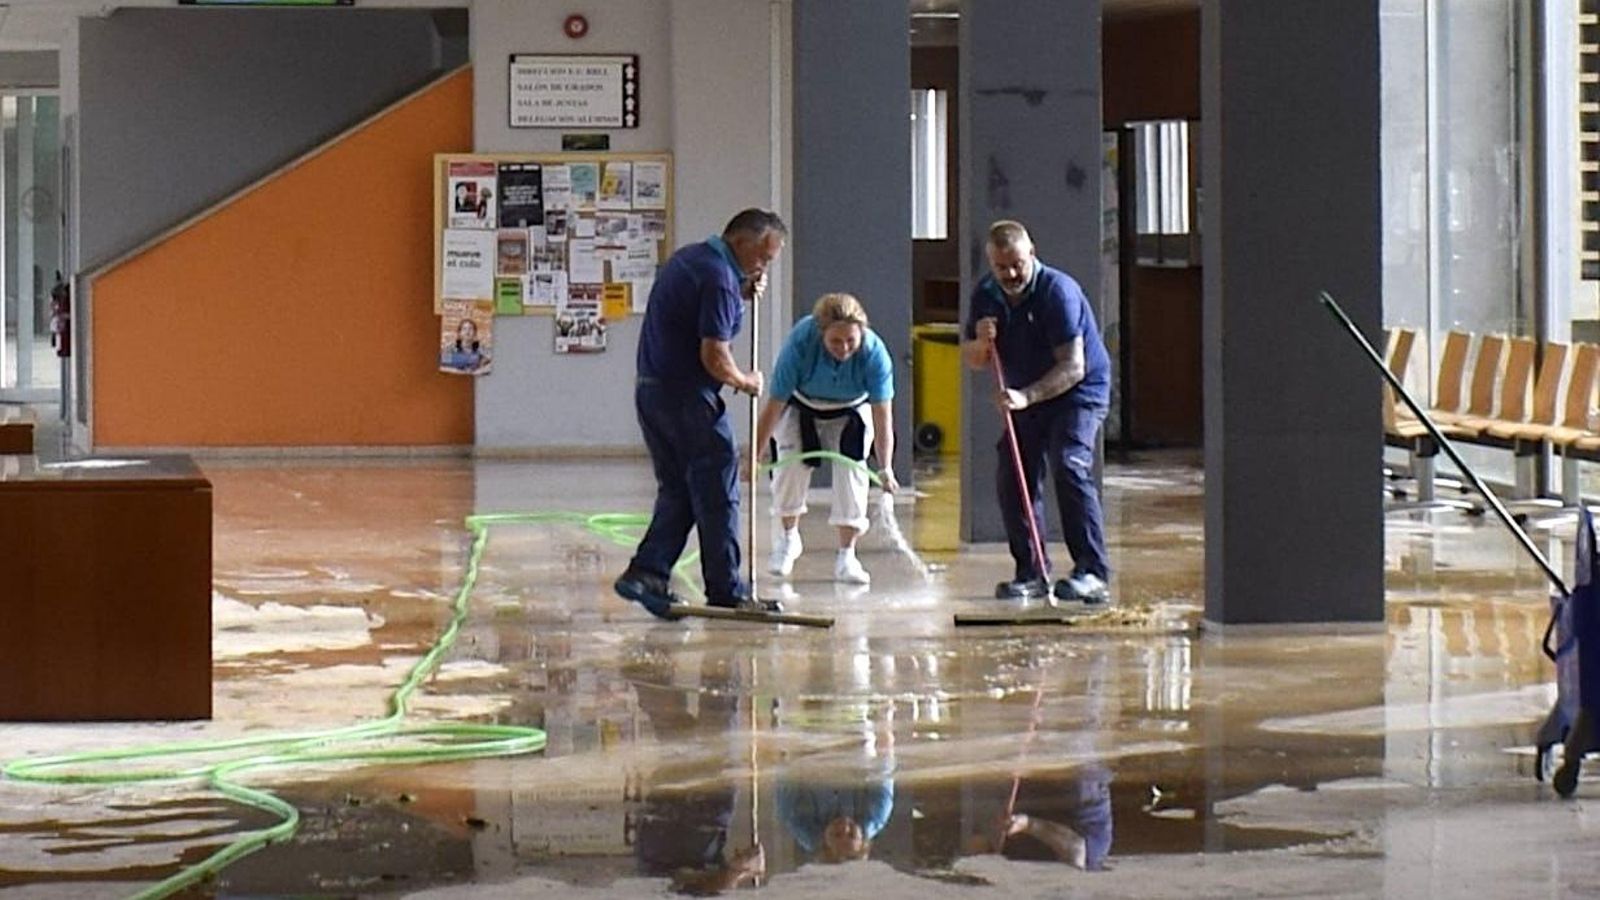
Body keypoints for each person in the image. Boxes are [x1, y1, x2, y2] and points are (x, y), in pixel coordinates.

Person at [614, 209, 787, 618]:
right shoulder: (718, 279)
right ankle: (727, 590)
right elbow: (714, 355)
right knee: (717, 489)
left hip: (652, 392)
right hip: (688, 397)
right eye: (763, 257)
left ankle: (647, 573)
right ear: (741, 241)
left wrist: (742, 290)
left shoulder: (690, 260)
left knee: (678, 489)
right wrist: (745, 381)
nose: (763, 266)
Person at [961, 220, 1112, 604]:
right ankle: (1031, 571)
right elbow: (974, 360)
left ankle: (1092, 571)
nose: (1010, 274)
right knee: (1012, 471)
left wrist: (1027, 396)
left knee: (1069, 463)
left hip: (1077, 391)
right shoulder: (985, 295)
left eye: (1017, 264)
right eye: (1001, 267)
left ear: (1032, 253)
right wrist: (981, 342)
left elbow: (1073, 366)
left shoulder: (1057, 292)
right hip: (1024, 390)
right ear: (990, 264)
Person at [752, 293, 897, 585]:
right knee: (789, 470)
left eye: (850, 341)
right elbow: (774, 404)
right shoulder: (800, 344)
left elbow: (883, 417)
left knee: (853, 474)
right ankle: (789, 538)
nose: (844, 349)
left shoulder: (874, 353)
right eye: (835, 342)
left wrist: (885, 467)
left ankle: (847, 555)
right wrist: (753, 456)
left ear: (861, 334)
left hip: (851, 409)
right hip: (801, 403)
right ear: (821, 335)